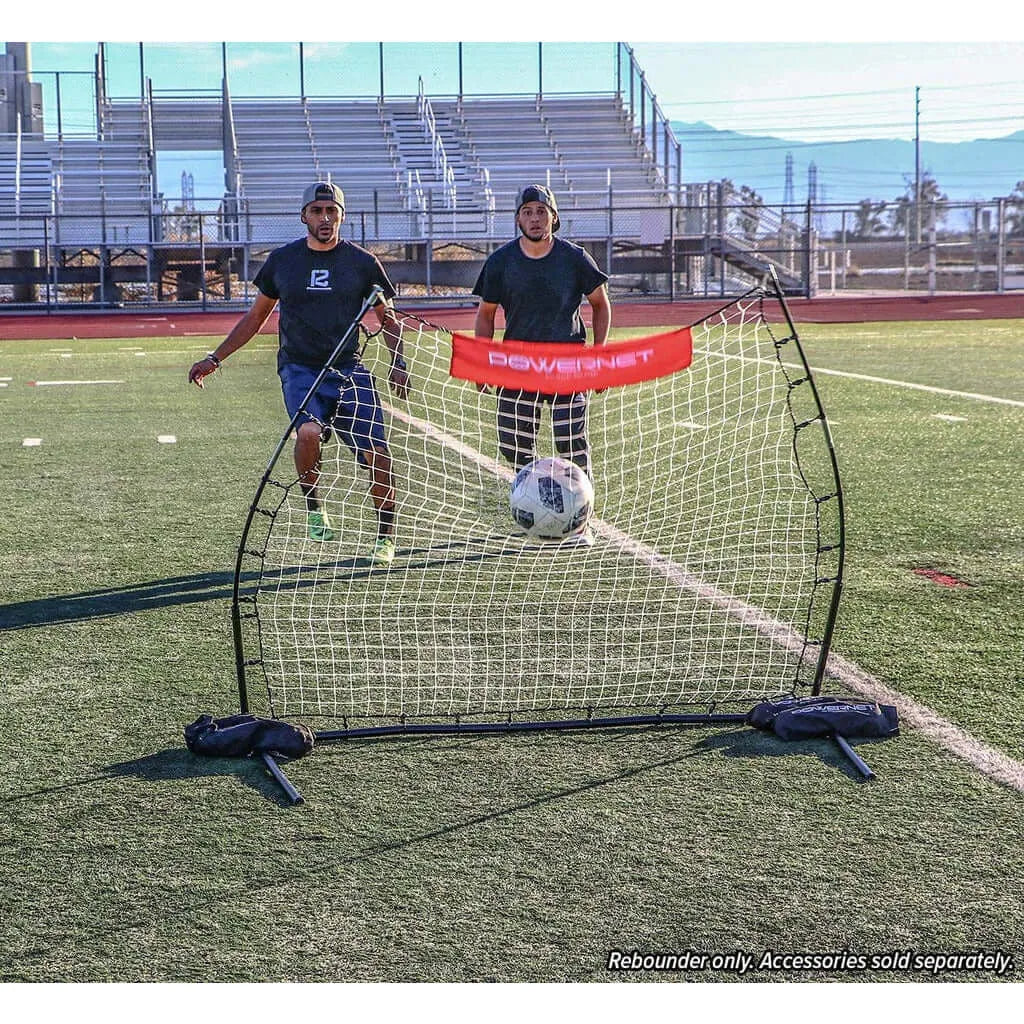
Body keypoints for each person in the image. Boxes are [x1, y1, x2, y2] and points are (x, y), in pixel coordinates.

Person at [188, 181, 408, 566]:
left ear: (342, 216)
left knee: (378, 455)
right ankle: (314, 508)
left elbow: (386, 318)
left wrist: (398, 363)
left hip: (348, 368)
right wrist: (216, 357)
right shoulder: (283, 261)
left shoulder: (362, 263)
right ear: (304, 215)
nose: (325, 218)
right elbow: (256, 318)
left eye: (332, 211)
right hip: (300, 368)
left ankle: (386, 536)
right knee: (308, 432)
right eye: (317, 211)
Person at [472, 183, 611, 545]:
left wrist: (599, 352)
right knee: (515, 445)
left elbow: (600, 303)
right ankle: (536, 516)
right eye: (528, 212)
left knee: (571, 440)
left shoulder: (575, 257)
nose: (535, 218)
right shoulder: (501, 262)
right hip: (518, 365)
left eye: (541, 211)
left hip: (567, 362)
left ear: (554, 217)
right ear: (518, 218)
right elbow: (486, 316)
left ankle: (581, 523)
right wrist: (483, 363)